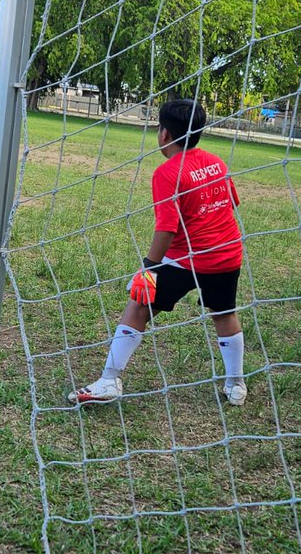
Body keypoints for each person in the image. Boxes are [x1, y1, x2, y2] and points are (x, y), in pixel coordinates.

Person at [69, 98, 247, 407]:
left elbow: (167, 227)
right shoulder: (217, 162)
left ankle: (110, 380)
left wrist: (148, 267)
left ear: (163, 133)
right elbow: (231, 202)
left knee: (139, 304)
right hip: (227, 254)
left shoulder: (167, 173)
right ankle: (236, 384)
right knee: (224, 313)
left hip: (185, 258)